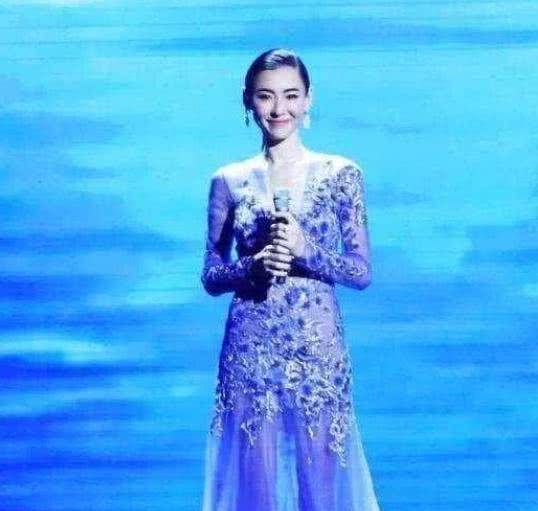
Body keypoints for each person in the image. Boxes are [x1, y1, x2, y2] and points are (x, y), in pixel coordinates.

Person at [200, 48, 382, 511]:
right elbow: (211, 274)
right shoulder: (229, 180)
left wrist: (307, 250)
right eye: (266, 96)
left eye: (291, 95)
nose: (279, 109)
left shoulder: (341, 174)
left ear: (308, 99)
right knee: (255, 486)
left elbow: (360, 272)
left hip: (316, 347)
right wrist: (252, 267)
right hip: (251, 345)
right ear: (248, 100)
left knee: (319, 484)